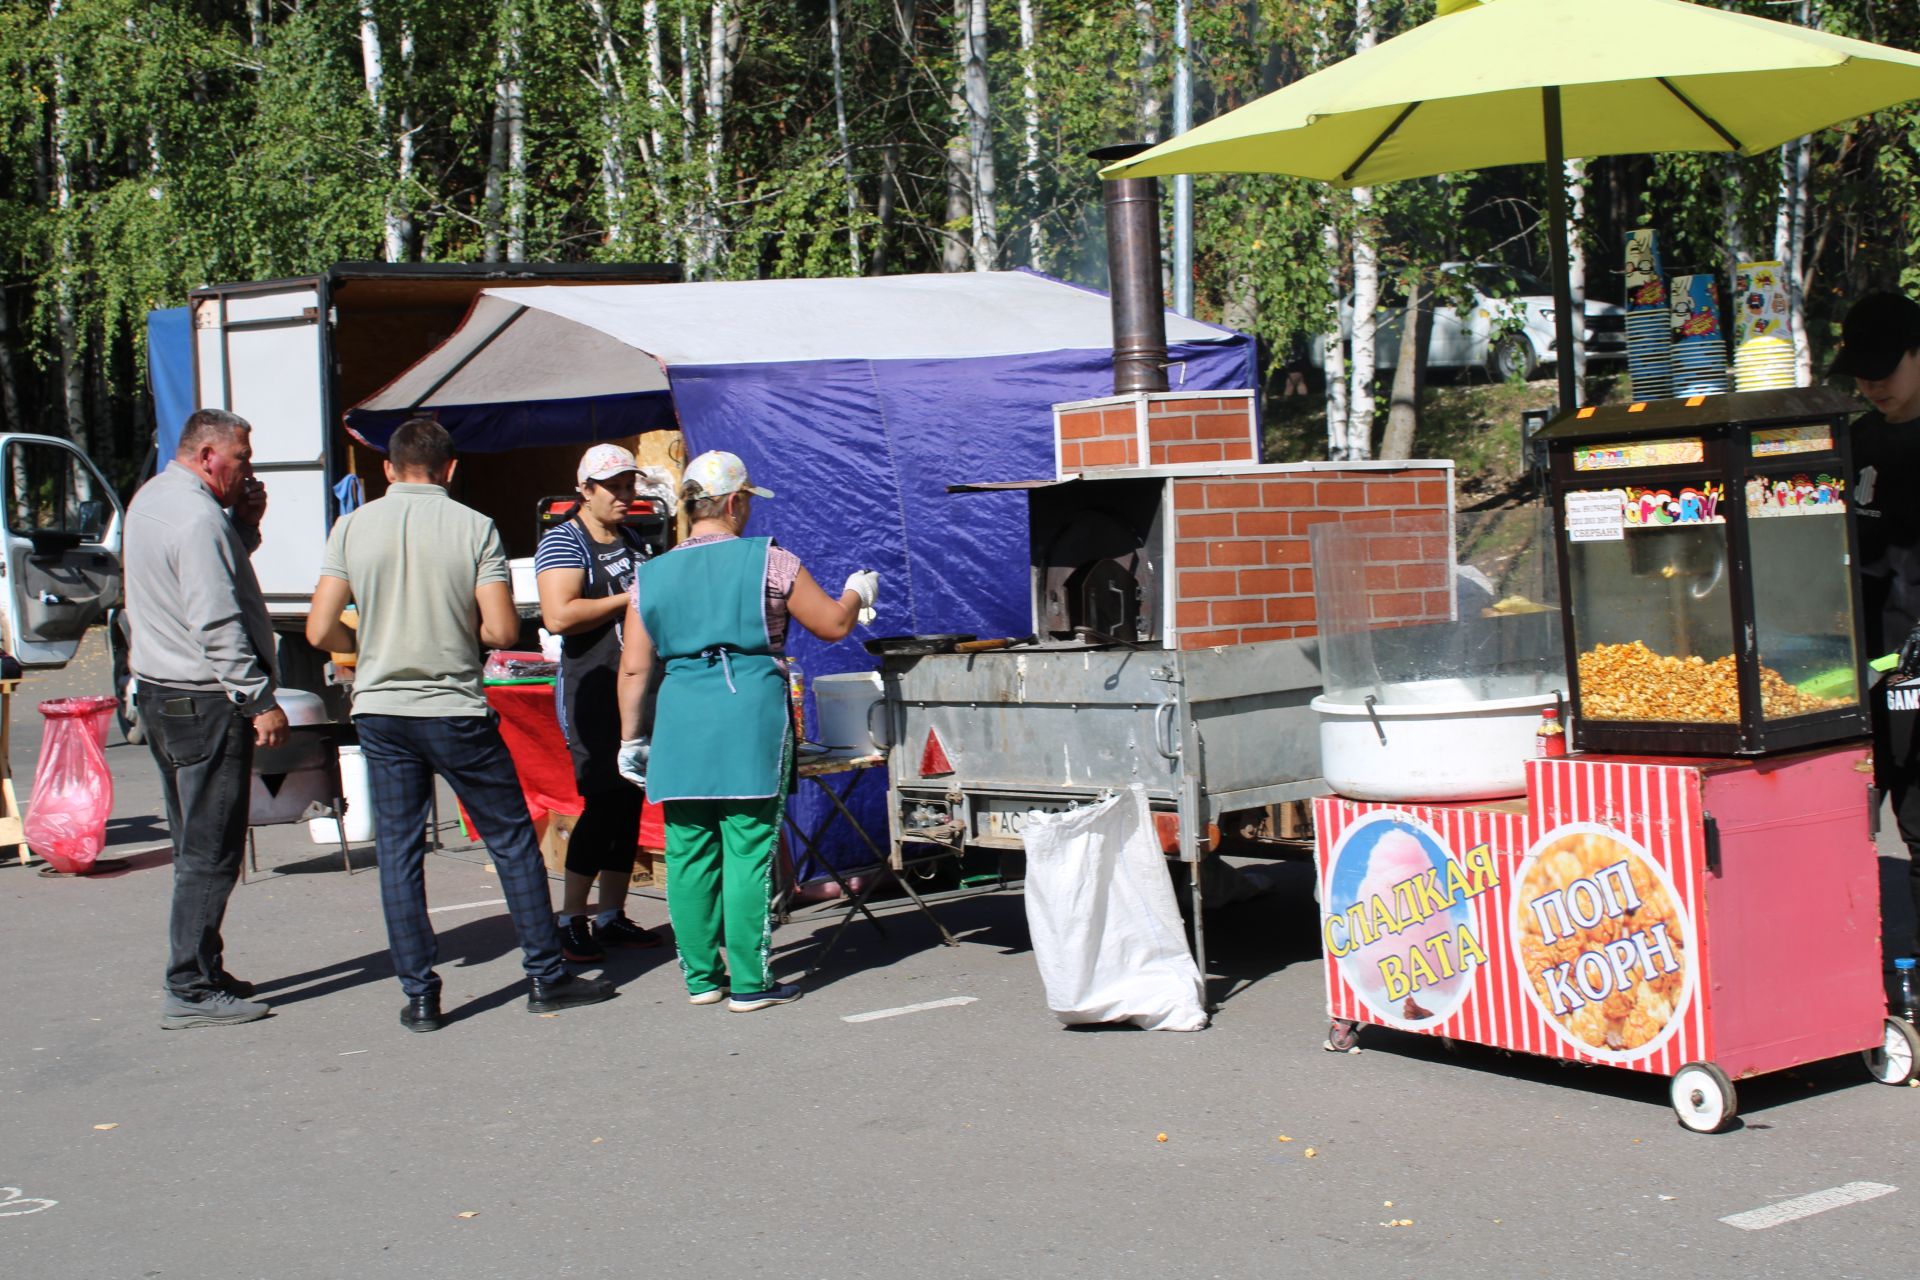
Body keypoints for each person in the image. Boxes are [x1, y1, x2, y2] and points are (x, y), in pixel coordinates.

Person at [305, 418, 614, 1032]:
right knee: (510, 841)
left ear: (388, 470)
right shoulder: (475, 527)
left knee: (398, 854)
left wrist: (370, 644)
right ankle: (545, 977)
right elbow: (501, 631)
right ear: (451, 469)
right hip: (452, 706)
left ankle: (420, 995)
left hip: (382, 710)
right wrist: (446, 636)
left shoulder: (352, 525)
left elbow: (319, 630)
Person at [615, 450, 877, 1012]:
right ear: (735, 503)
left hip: (680, 716)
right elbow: (832, 623)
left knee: (688, 851)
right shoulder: (772, 562)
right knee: (748, 847)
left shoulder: (650, 575)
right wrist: (859, 592)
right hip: (750, 714)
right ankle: (752, 983)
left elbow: (635, 667)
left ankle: (702, 980)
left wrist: (631, 739)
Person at [125, 409, 287, 1030]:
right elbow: (216, 619)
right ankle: (189, 985)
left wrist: (243, 526)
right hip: (204, 699)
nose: (249, 468)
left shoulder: (157, 500)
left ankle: (201, 968)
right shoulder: (194, 516)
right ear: (207, 456)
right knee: (210, 850)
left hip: (165, 695)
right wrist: (258, 700)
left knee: (195, 840)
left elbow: (201, 578)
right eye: (241, 457)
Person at [535, 444, 665, 961]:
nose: (624, 495)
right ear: (585, 490)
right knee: (603, 801)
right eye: (613, 486)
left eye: (629, 485)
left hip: (636, 687)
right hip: (591, 690)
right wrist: (632, 596)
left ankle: (611, 915)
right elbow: (558, 615)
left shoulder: (633, 538)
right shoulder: (563, 541)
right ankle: (572, 917)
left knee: (630, 798)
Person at [1837, 291, 1920, 959]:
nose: (1871, 385)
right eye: (1861, 372)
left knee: (1918, 828)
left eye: (1884, 369)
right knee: (1841, 823)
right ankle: (1849, 979)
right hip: (1859, 664)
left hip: (1916, 670)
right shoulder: (1855, 441)